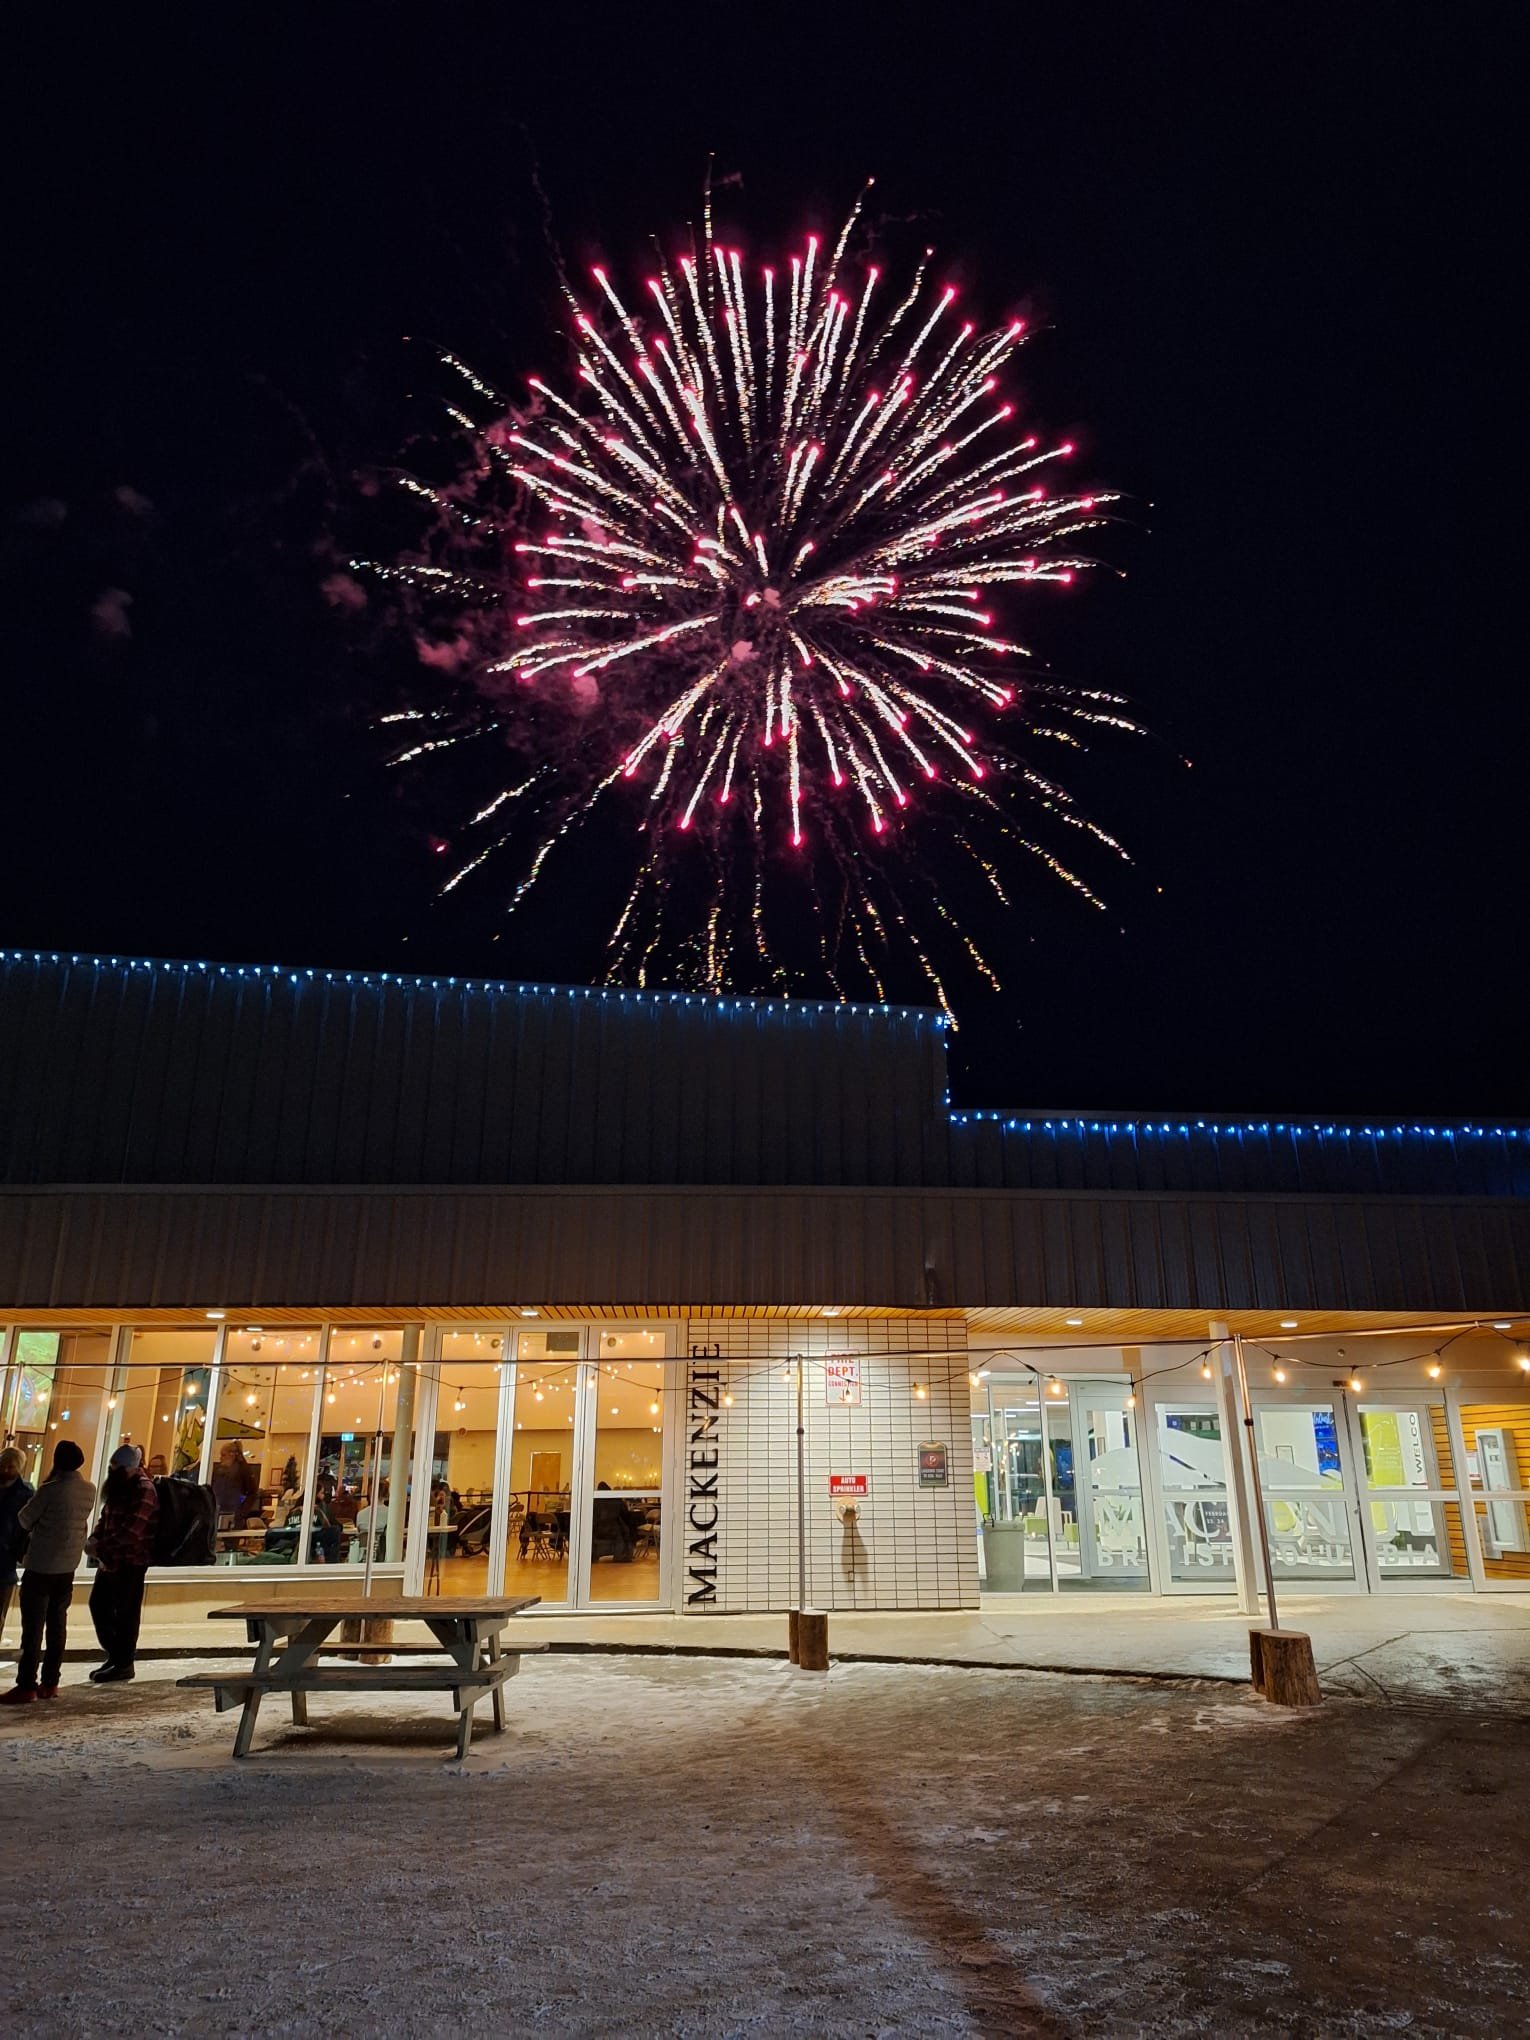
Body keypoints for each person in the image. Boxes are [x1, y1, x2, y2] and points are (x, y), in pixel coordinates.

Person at [2, 1440, 95, 1702]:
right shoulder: (89, 1490)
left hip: (41, 1565)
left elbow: (24, 1518)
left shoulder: (50, 1490)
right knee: (57, 1625)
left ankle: (26, 1684)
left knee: (33, 1627)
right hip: (67, 1568)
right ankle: (51, 1681)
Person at [87, 1443, 159, 1683]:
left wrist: (102, 1547)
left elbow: (133, 1531)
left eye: (115, 1466)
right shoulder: (121, 1487)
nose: (111, 1470)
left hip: (130, 1562)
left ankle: (124, 1661)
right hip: (109, 1561)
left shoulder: (144, 1489)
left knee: (126, 1614)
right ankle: (116, 1656)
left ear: (127, 1468)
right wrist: (96, 1538)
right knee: (99, 1606)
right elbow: (106, 1516)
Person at [0, 1446, 36, 1641]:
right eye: (3, 1465)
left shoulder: (25, 1493)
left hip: (5, 1561)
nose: (5, 1470)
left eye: (10, 1467)